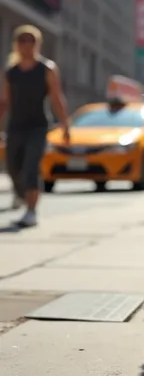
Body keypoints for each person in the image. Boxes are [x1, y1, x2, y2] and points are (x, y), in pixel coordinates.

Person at [0, 25, 70, 228]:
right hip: (15, 126)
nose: (26, 45)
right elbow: (4, 102)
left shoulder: (47, 69)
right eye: (22, 41)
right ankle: (21, 195)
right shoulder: (11, 72)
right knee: (13, 167)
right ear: (16, 45)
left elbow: (57, 98)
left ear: (37, 44)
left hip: (38, 126)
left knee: (31, 167)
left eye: (31, 41)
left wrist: (65, 124)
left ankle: (31, 211)